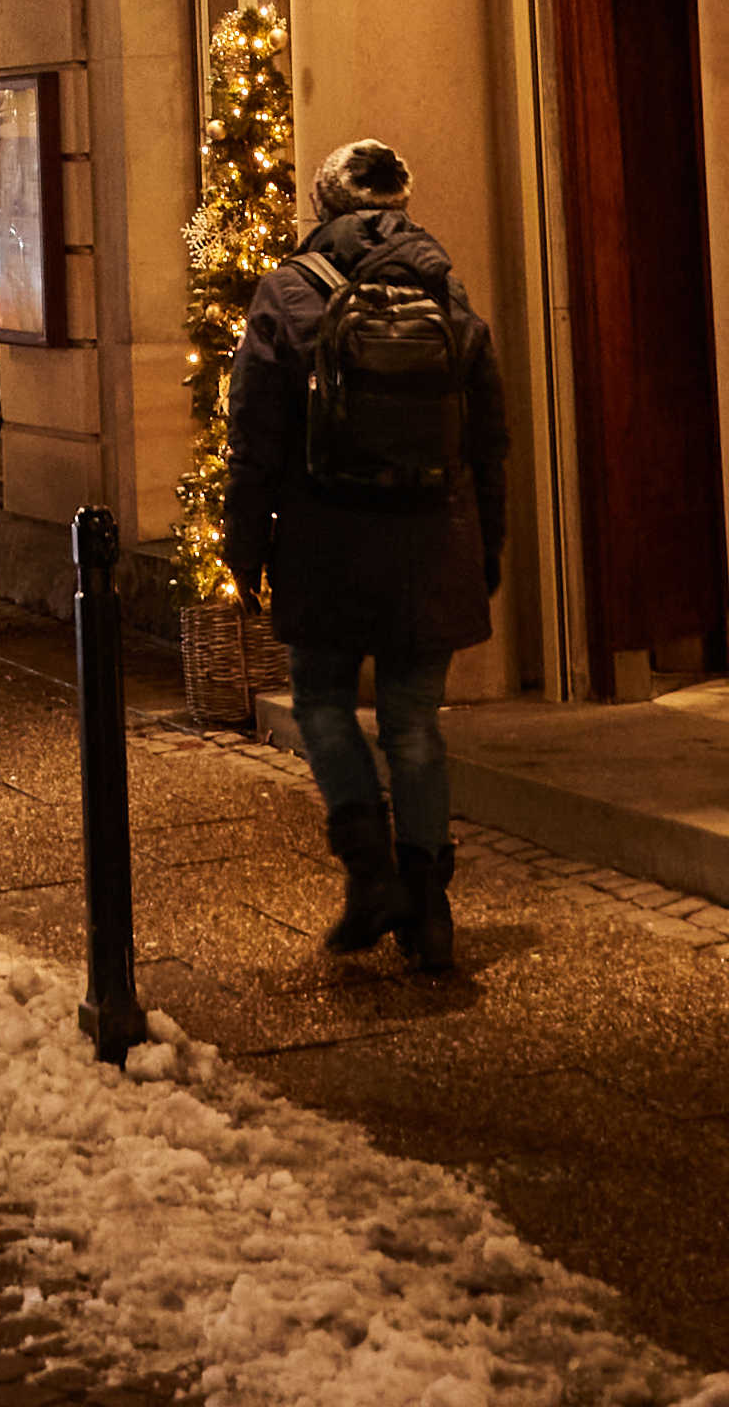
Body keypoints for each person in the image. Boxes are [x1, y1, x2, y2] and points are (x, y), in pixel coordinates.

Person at [224, 135, 507, 976]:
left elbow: (254, 440)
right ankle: (429, 905)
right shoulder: (447, 292)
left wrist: (246, 549)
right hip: (432, 542)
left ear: (324, 208)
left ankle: (371, 870)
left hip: (327, 542)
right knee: (415, 723)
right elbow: (490, 441)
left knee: (321, 703)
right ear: (401, 205)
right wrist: (484, 547)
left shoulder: (287, 293)